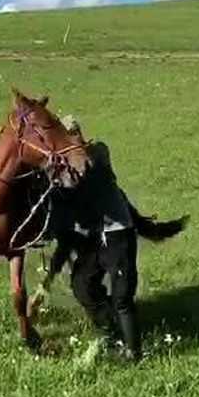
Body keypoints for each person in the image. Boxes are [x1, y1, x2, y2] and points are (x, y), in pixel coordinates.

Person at [49, 115, 142, 359]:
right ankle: (110, 332)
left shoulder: (98, 152)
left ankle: (133, 352)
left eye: (72, 134)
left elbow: (86, 177)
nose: (70, 140)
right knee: (82, 285)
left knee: (122, 296)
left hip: (117, 232)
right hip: (92, 237)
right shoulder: (60, 166)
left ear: (79, 134)